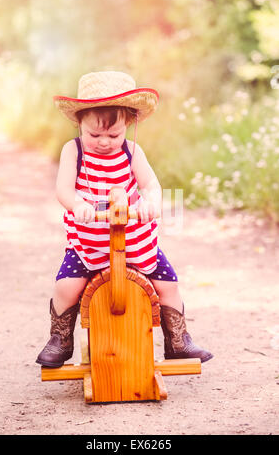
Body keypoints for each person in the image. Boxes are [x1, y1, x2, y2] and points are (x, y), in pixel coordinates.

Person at [36, 71, 213, 368]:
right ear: (79, 122)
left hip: (135, 239)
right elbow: (63, 189)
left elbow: (151, 186)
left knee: (168, 283)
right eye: (94, 134)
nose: (104, 141)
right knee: (65, 286)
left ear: (128, 125)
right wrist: (78, 204)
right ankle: (60, 339)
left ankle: (178, 340)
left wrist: (150, 203)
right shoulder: (74, 151)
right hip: (89, 243)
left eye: (113, 134)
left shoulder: (132, 152)